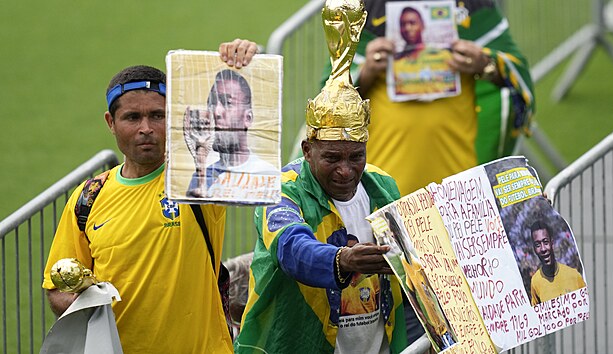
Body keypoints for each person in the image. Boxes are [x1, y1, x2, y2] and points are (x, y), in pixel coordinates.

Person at [41, 39, 259, 353]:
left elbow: (238, 133)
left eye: (157, 116)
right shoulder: (88, 198)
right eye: (132, 118)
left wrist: (242, 61)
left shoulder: (198, 178)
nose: (146, 128)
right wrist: (89, 310)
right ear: (110, 123)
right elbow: (57, 288)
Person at [234, 1, 408, 352]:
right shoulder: (281, 189)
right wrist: (340, 260)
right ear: (307, 148)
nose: (346, 170)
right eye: (331, 157)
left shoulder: (382, 185)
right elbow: (291, 248)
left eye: (356, 156)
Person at [341, 0, 535, 196]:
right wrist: (366, 71)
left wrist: (484, 64)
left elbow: (515, 68)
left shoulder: (473, 4)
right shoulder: (362, 6)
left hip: (457, 177)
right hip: (385, 175)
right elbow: (331, 95)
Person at [186, 69, 278, 200]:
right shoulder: (201, 179)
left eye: (227, 103)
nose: (216, 112)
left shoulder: (268, 177)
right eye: (212, 103)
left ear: (248, 118)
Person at [385, 211, 456, 351]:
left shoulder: (418, 262)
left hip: (445, 325)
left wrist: (448, 322)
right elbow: (412, 296)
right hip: (434, 328)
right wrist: (427, 324)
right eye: (391, 235)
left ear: (399, 233)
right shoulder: (405, 261)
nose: (393, 237)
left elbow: (437, 293)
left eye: (393, 233)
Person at [529, 220, 586, 305]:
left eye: (546, 242)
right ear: (534, 249)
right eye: (538, 245)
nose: (543, 249)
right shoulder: (535, 282)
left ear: (552, 243)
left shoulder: (574, 275)